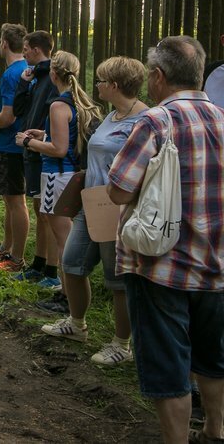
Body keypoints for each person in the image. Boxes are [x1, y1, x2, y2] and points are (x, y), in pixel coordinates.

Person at [107, 36, 224, 444]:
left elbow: (118, 190)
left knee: (168, 364)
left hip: (160, 266)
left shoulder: (156, 122)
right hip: (217, 264)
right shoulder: (223, 119)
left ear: (158, 76)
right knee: (213, 356)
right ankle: (215, 430)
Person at [40, 56, 147, 366]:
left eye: (101, 80)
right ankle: (77, 324)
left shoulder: (143, 120)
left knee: (117, 280)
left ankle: (122, 344)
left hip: (120, 209)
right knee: (72, 263)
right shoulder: (111, 116)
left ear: (114, 85)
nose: (96, 85)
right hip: (92, 202)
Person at [16, 51, 101, 292]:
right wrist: (43, 134)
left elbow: (59, 149)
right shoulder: (79, 101)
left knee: (63, 239)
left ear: (53, 74)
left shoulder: (58, 105)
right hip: (72, 175)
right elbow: (70, 137)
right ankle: (68, 290)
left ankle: (67, 294)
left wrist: (28, 142)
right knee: (67, 236)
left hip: (56, 176)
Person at [12, 31, 63, 295]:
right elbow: (19, 110)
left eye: (25, 49)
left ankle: (53, 272)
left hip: (43, 153)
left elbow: (55, 116)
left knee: (48, 213)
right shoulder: (34, 77)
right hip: (31, 151)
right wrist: (23, 83)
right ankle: (39, 264)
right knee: (39, 208)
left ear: (35, 49)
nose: (23, 54)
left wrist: (41, 139)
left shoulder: (52, 77)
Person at [0, 24, 30, 273]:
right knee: (11, 200)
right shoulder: (27, 69)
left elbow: (8, 117)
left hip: (10, 145)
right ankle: (7, 248)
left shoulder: (12, 74)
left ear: (4, 44)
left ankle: (16, 260)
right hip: (19, 143)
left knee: (16, 202)